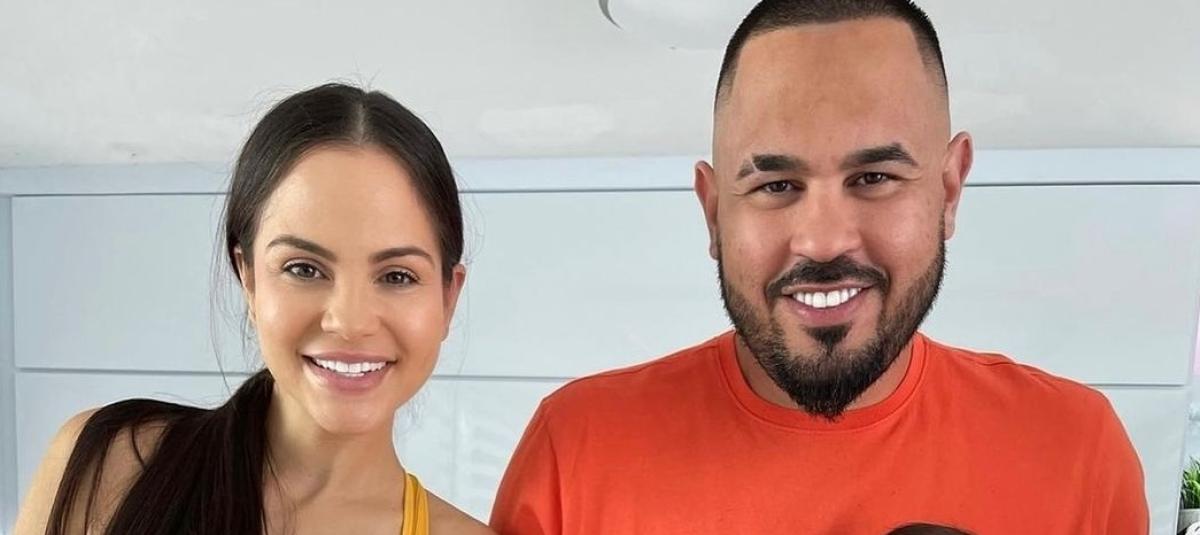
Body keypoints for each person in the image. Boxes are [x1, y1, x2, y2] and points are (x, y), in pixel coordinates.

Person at [489, 1, 1148, 533]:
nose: (825, 241)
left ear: (949, 190)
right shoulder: (573, 453)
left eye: (875, 176)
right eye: (776, 185)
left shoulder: (1077, 452)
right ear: (713, 212)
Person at [15, 83, 493, 535]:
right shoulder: (108, 466)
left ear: (448, 298)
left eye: (397, 276)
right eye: (304, 269)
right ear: (249, 279)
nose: (349, 322)